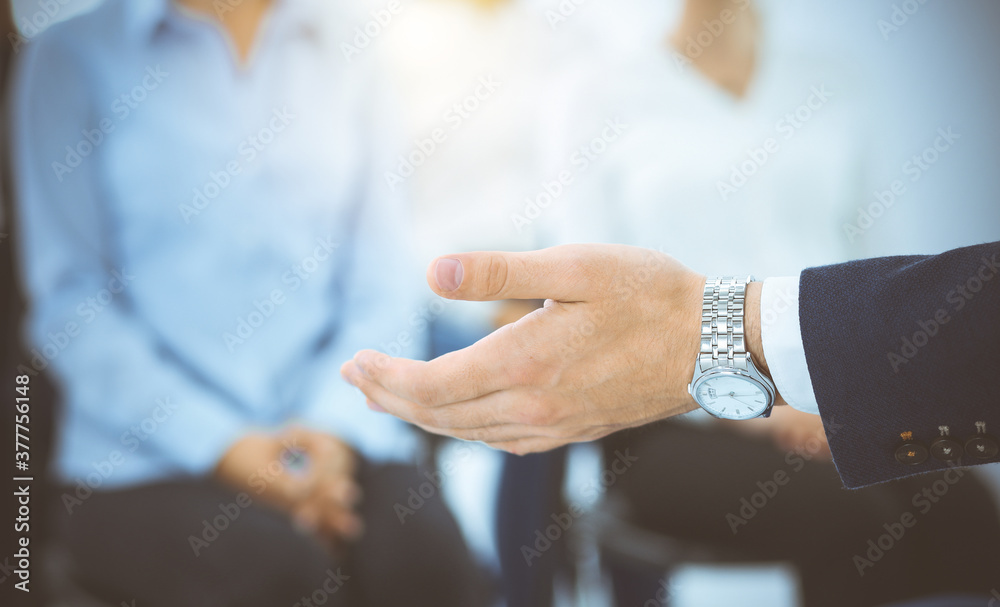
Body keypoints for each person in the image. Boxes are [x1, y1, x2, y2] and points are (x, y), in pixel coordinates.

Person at [10, 0, 487, 605]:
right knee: (276, 576)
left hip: (331, 436)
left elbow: (382, 281)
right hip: (146, 460)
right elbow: (69, 305)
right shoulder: (69, 59)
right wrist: (229, 449)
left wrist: (327, 433)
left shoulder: (355, 49)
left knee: (426, 562)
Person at [341, 240, 1000, 488]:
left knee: (949, 508)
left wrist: (819, 382)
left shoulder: (834, 81)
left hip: (829, 385)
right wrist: (771, 376)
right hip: (667, 423)